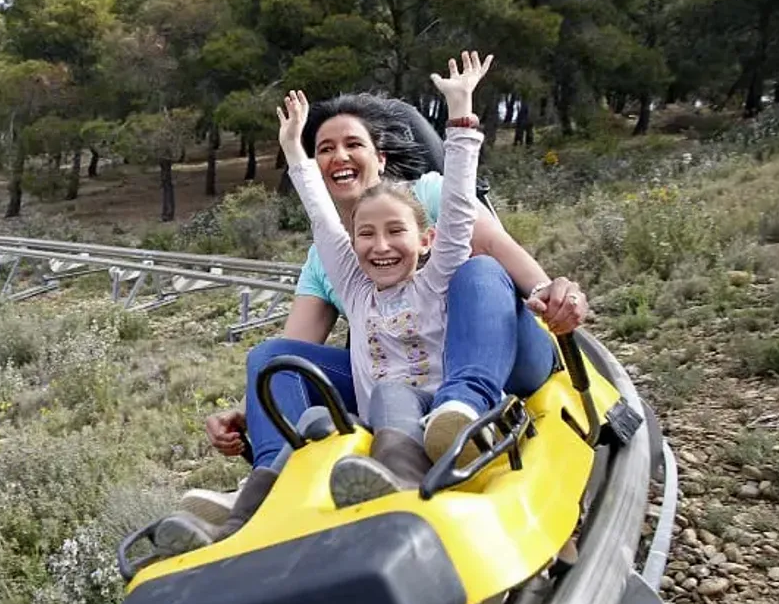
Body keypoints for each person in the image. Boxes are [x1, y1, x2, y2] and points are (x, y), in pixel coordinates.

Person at [167, 71, 589, 547]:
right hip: (397, 379)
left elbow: (481, 237)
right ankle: (270, 485)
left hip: (496, 344)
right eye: (324, 148)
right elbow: (300, 331)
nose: (338, 156)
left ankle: (465, 409)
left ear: (380, 158)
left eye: (352, 144)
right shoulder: (340, 264)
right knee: (278, 359)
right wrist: (248, 411)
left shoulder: (429, 200)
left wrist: (549, 289)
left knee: (479, 268)